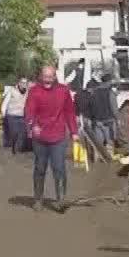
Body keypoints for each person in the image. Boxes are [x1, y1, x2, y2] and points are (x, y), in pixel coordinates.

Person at [24, 65, 77, 210]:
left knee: (59, 168)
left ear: (55, 77)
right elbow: (29, 111)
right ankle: (38, 199)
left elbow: (69, 112)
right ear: (41, 76)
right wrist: (32, 125)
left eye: (50, 77)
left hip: (58, 136)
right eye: (45, 76)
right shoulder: (35, 91)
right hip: (40, 137)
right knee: (40, 168)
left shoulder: (63, 91)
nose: (47, 80)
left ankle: (61, 199)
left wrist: (74, 132)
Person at [1, 78, 29, 154]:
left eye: (25, 83)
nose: (24, 84)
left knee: (23, 133)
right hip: (12, 115)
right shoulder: (12, 91)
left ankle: (19, 148)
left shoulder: (27, 92)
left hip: (22, 115)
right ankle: (13, 146)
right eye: (22, 83)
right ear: (19, 83)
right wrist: (3, 112)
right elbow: (5, 102)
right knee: (15, 132)